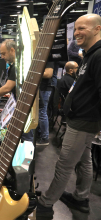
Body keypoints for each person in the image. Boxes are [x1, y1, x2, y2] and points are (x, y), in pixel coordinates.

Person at [36, 14, 101, 219]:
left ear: (97, 29)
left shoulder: (99, 56)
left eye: (82, 28)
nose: (77, 32)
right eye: (76, 29)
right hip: (80, 119)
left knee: (64, 164)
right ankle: (80, 198)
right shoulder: (89, 54)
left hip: (83, 121)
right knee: (84, 161)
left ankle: (46, 202)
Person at [36, 59, 54, 146]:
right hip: (40, 87)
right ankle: (41, 133)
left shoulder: (48, 57)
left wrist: (32, 72)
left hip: (45, 88)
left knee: (42, 112)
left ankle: (45, 138)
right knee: (40, 112)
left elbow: (48, 74)